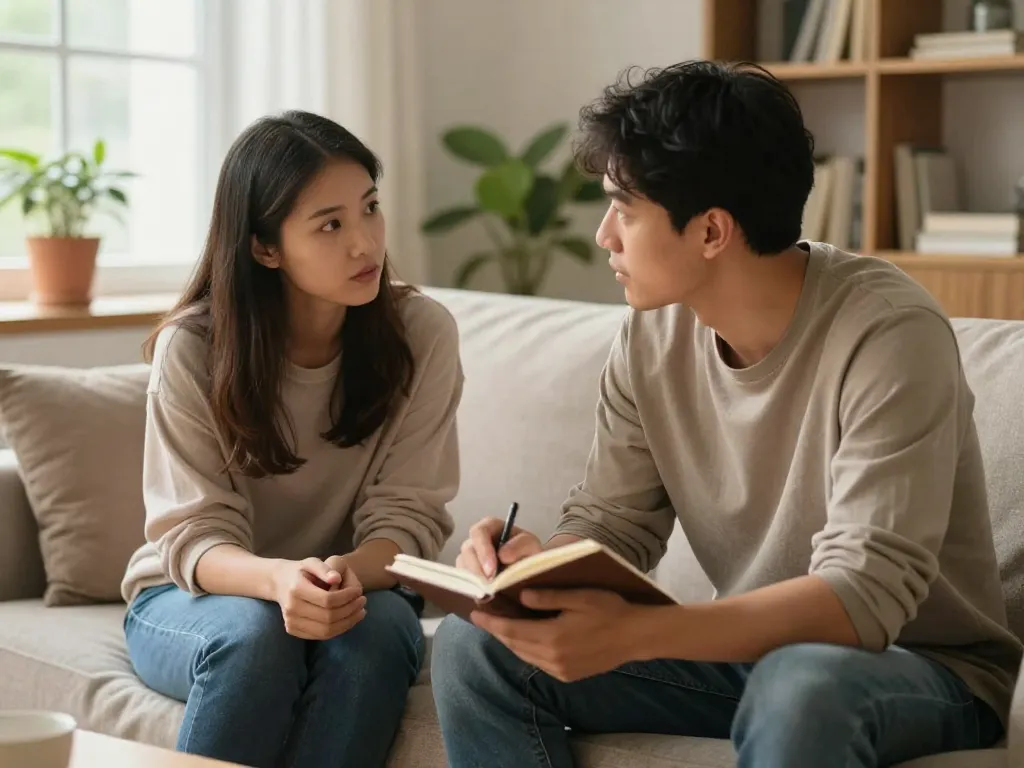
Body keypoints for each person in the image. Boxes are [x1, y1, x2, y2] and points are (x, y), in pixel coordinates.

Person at [430, 61, 1022, 768]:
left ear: (711, 231)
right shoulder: (653, 334)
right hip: (752, 659)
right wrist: (534, 572)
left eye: (625, 206)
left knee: (800, 685)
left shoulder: (890, 333)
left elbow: (861, 600)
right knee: (478, 648)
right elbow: (613, 524)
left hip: (918, 669)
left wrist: (639, 635)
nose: (604, 236)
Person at [120, 110, 462, 768]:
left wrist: (330, 581)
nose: (365, 244)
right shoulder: (192, 349)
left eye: (370, 209)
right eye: (331, 225)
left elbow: (409, 521)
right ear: (264, 247)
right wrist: (280, 582)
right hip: (193, 597)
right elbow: (192, 537)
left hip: (350, 589)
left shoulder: (422, 334)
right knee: (254, 638)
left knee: (381, 630)